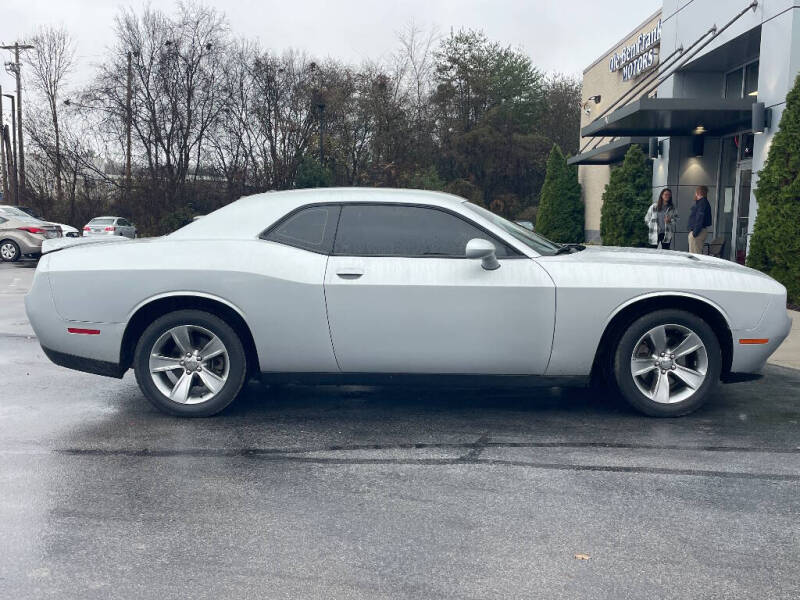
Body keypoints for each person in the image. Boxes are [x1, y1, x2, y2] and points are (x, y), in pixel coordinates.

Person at [687, 185, 713, 254]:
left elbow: (699, 218)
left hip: (698, 232)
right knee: (695, 253)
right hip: (699, 231)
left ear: (697, 193)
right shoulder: (703, 202)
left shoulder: (702, 203)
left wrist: (694, 233)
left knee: (695, 255)